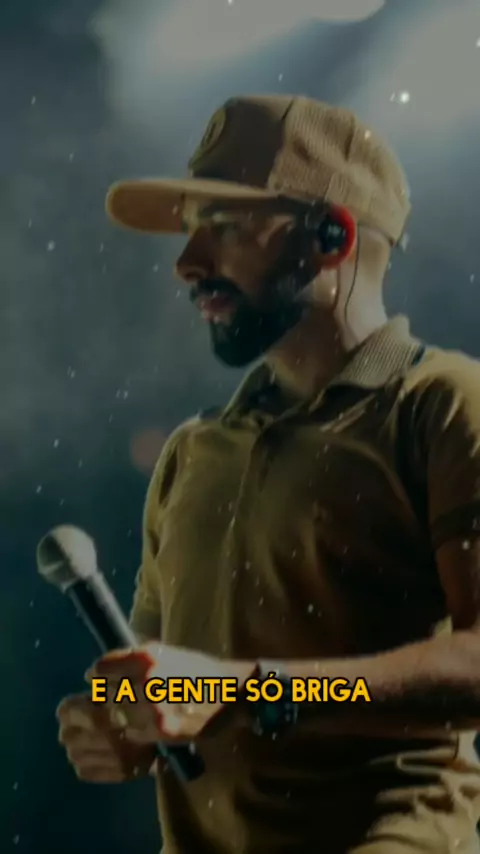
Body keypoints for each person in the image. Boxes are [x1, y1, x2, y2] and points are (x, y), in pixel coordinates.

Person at [56, 95, 480, 853]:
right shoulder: (191, 453)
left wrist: (253, 693)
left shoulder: (444, 405)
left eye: (223, 224)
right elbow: (167, 692)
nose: (188, 263)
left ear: (331, 235)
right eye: (192, 227)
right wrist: (125, 726)